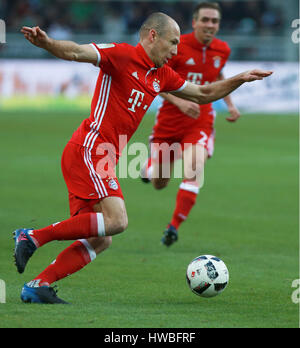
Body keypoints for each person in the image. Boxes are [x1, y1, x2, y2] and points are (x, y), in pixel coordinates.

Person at [15, 12, 272, 304]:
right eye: (172, 42)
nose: (176, 50)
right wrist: (47, 43)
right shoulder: (121, 55)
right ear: (153, 36)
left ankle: (38, 285)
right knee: (117, 221)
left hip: (104, 157)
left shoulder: (161, 75)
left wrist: (240, 79)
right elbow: (76, 51)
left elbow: (201, 93)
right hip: (90, 149)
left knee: (101, 238)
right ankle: (33, 236)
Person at [141, 3, 241, 247]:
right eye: (205, 20)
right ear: (194, 22)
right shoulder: (177, 45)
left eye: (214, 21)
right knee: (160, 183)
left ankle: (173, 226)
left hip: (201, 119)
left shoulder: (222, 49)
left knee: (195, 168)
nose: (210, 25)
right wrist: (179, 102)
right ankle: (150, 168)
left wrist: (229, 104)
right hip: (169, 121)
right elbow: (156, 79)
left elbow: (217, 75)